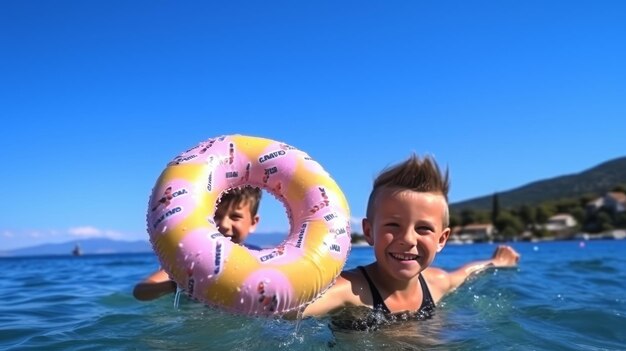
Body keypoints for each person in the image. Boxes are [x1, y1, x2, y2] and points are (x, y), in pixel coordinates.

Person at [299, 154, 520, 327]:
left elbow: (465, 274)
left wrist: (498, 263)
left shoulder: (436, 283)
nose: (407, 239)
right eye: (393, 226)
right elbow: (292, 306)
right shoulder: (351, 289)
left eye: (423, 228)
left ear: (441, 239)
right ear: (368, 231)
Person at [133, 186, 262, 301]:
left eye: (235, 217)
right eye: (216, 215)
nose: (224, 224)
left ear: (253, 223)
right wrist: (182, 283)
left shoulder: (259, 260)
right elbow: (141, 292)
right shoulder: (192, 259)